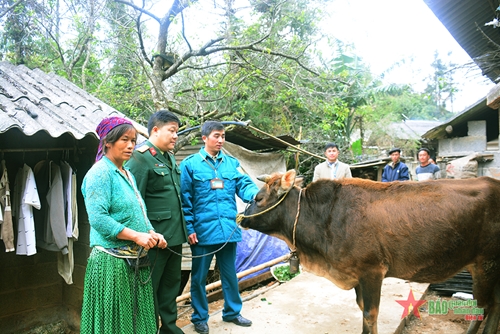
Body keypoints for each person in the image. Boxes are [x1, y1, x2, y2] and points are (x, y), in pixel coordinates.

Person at [80, 116, 167, 334]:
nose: (130, 146)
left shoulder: (126, 173)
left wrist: (152, 233)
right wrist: (136, 236)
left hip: (134, 260)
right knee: (117, 324)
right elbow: (98, 218)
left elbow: (139, 210)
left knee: (136, 321)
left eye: (133, 140)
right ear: (107, 142)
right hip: (112, 264)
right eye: (124, 140)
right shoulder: (100, 173)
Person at [180, 121, 258, 334]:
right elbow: (184, 200)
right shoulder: (190, 165)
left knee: (230, 274)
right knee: (198, 277)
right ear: (204, 138)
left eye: (223, 136)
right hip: (202, 232)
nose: (221, 140)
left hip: (228, 229)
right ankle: (200, 317)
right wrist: (189, 228)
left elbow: (244, 185)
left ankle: (232, 312)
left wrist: (258, 195)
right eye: (216, 136)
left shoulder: (231, 163)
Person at [126, 110, 188, 334]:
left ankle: (170, 329)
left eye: (176, 132)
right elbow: (134, 201)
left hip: (174, 236)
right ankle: (149, 329)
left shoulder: (168, 156)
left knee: (171, 287)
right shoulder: (140, 158)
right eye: (171, 131)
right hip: (153, 239)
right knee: (149, 290)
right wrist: (144, 234)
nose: (175, 136)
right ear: (155, 130)